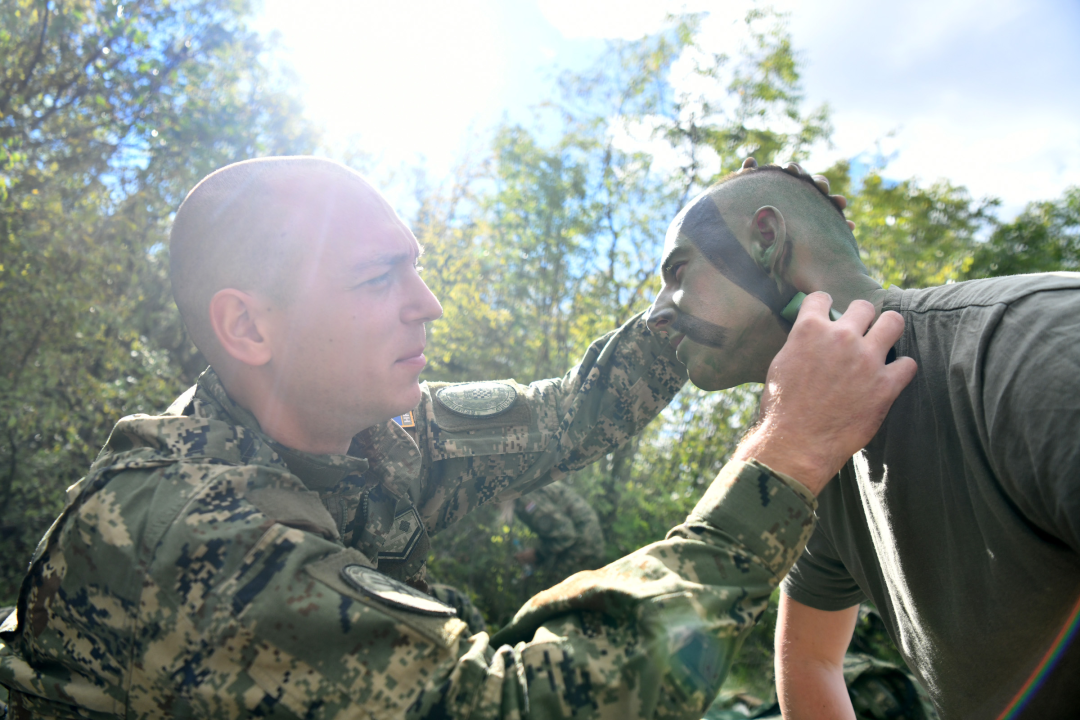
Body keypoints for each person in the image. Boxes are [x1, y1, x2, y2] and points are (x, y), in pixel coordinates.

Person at [0, 156, 913, 719]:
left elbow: (573, 411)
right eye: (377, 278)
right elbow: (521, 708)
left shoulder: (375, 431)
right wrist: (786, 454)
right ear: (248, 327)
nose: (427, 304)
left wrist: (711, 281)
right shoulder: (183, 532)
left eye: (418, 269)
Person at [646, 158, 1080, 719]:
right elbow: (812, 661)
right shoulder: (816, 450)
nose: (654, 316)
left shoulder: (1028, 347)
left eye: (678, 272)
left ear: (767, 240)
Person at [513, 480, 605, 585]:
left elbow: (565, 534)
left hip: (582, 545)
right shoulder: (524, 489)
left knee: (563, 589)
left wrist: (537, 554)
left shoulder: (524, 498)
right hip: (584, 541)